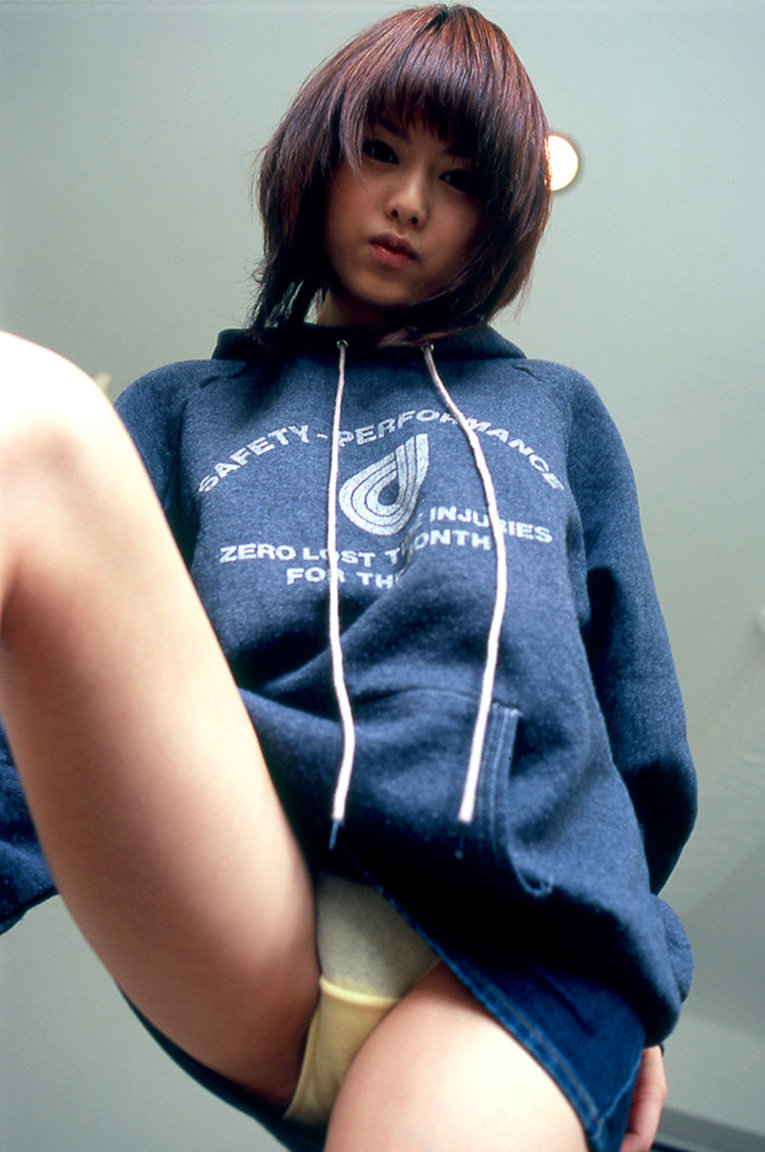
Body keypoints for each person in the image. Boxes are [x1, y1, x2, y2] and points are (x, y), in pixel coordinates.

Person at [0, 5, 695, 1151]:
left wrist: (629, 960)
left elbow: (642, 735)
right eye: (380, 152)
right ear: (316, 160)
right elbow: (50, 710)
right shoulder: (185, 409)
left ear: (495, 220)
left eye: (457, 180)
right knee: (25, 416)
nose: (410, 202)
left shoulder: (556, 412)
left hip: (523, 945)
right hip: (251, 881)